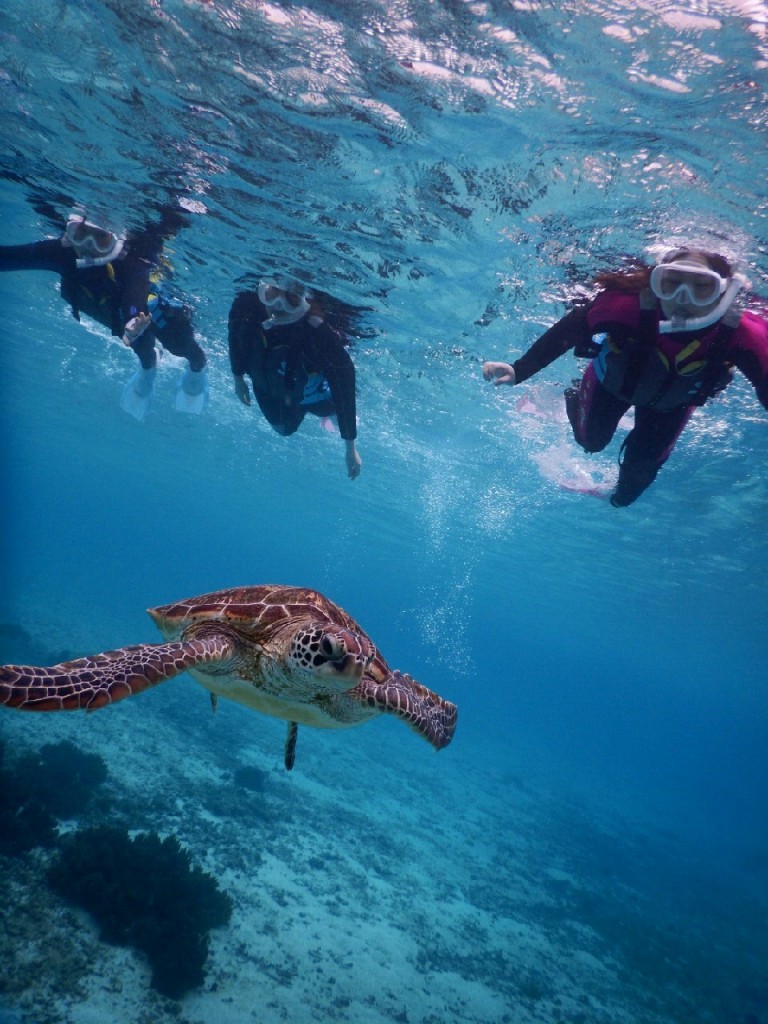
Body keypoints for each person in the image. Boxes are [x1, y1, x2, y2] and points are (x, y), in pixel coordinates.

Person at [483, 247, 768, 506]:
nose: (684, 299)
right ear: (655, 283)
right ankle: (573, 392)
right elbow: (570, 329)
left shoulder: (741, 331)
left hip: (672, 407)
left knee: (633, 484)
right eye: (671, 283)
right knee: (590, 442)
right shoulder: (626, 307)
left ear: (724, 292)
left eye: (702, 287)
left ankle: (618, 498)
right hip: (610, 386)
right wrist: (519, 370)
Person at [0, 206, 208, 420]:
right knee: (142, 348)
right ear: (67, 236)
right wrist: (131, 329)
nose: (90, 247)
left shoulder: (133, 262)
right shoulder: (61, 252)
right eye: (80, 235)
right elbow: (7, 257)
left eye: (101, 239)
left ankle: (197, 371)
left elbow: (134, 299)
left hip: (146, 307)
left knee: (188, 351)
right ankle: (148, 369)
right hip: (112, 310)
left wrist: (132, 323)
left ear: (115, 242)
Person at [228, 277, 362, 479]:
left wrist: (350, 447)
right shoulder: (247, 308)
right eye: (272, 294)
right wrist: (238, 378)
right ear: (263, 289)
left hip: (313, 393)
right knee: (282, 429)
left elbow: (344, 379)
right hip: (272, 388)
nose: (279, 306)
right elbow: (235, 336)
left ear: (304, 300)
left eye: (291, 298)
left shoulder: (318, 333)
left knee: (330, 406)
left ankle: (331, 416)